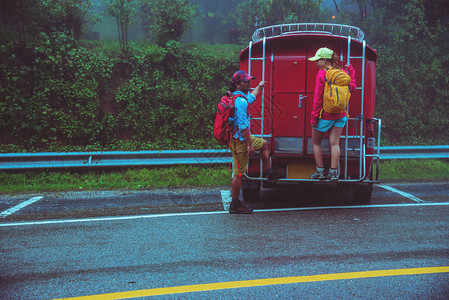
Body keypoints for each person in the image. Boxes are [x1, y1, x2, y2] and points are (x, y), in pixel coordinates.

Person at [229, 70, 285, 214]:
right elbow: (243, 126)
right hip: (240, 141)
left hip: (241, 138)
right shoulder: (240, 102)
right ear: (237, 84)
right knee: (239, 174)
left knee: (264, 144)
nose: (249, 83)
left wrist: (259, 87)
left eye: (249, 81)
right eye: (245, 81)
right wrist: (249, 144)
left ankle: (270, 174)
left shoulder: (240, 97)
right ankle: (235, 205)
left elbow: (252, 98)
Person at [308, 47, 356, 181]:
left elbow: (318, 97)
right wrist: (351, 71)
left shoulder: (322, 74)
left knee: (316, 143)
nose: (316, 63)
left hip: (325, 116)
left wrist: (314, 117)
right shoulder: (341, 72)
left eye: (317, 60)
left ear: (324, 60)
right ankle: (333, 173)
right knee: (334, 143)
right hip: (341, 116)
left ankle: (320, 172)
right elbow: (352, 87)